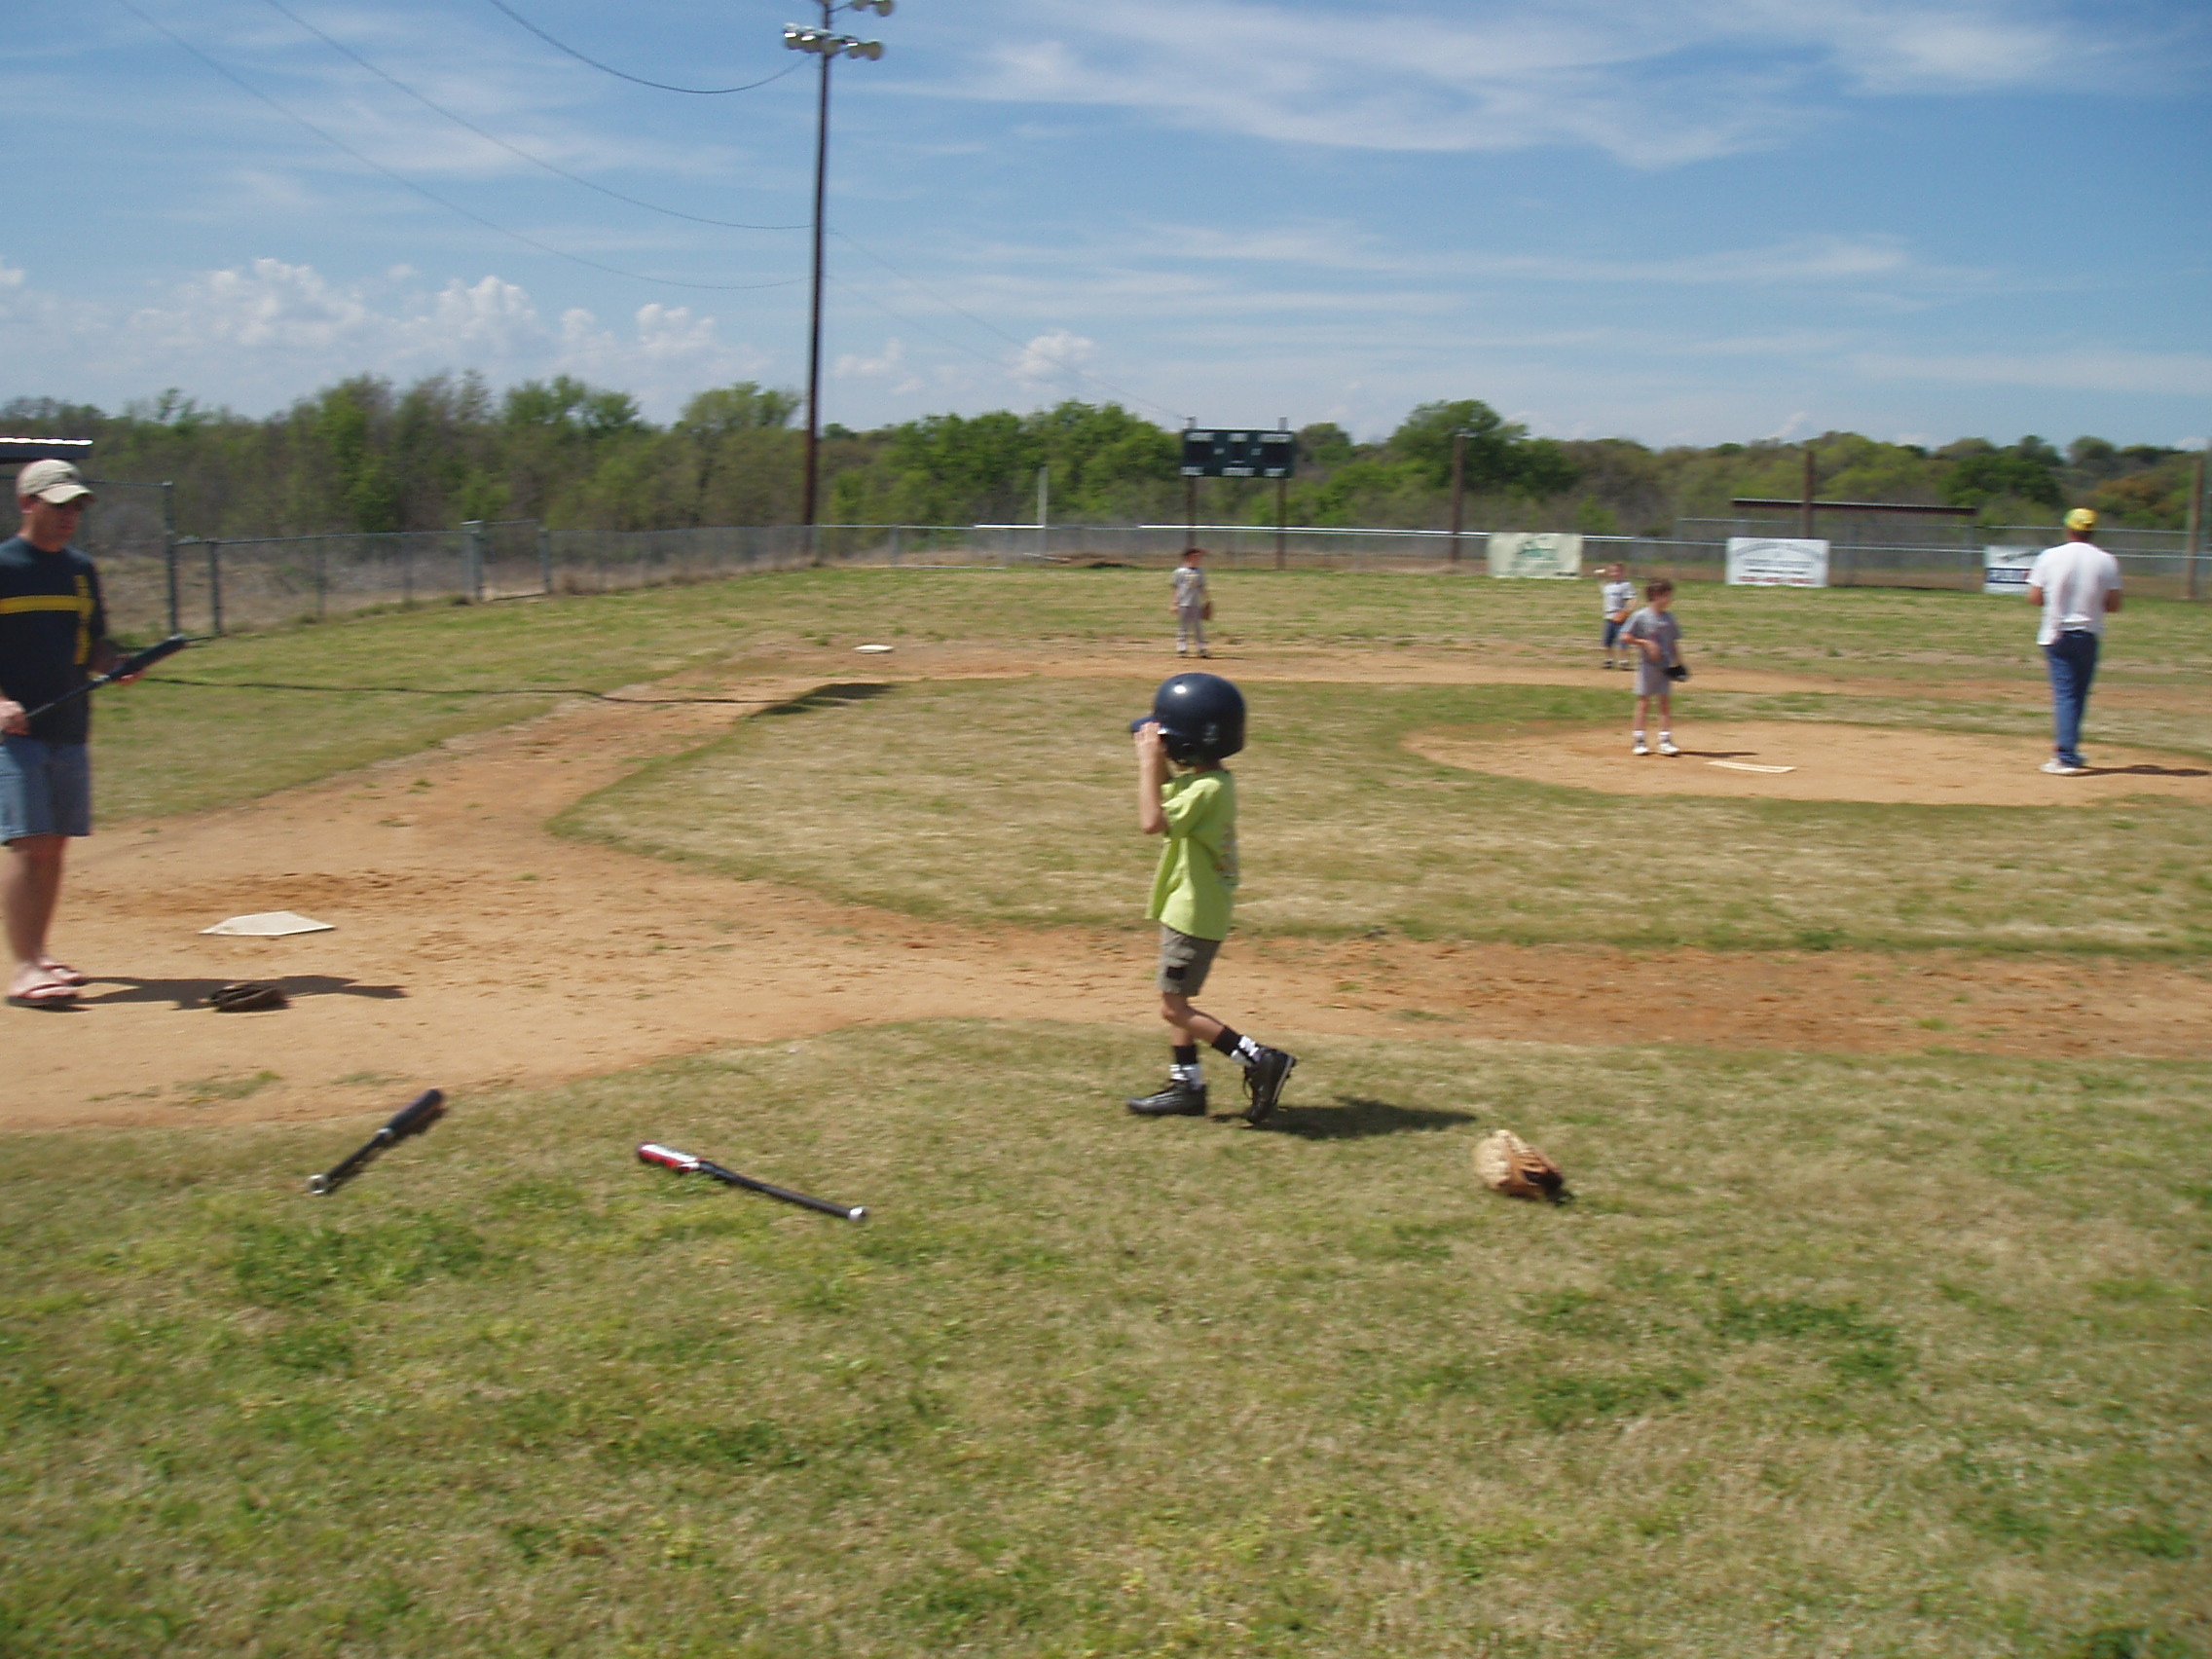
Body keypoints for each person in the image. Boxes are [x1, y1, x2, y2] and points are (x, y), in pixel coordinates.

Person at [1124, 672, 1295, 1123]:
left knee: (1173, 1007)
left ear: (1188, 745)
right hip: (1192, 909)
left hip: (1192, 914)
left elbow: (1151, 820)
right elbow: (1166, 797)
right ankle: (1187, 1086)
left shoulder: (1205, 790)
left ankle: (1259, 1059)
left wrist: (1146, 763)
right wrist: (1158, 757)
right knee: (1175, 999)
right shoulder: (1211, 783)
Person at [2, 460, 138, 1006]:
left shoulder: (80, 570)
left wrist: (115, 664)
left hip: (69, 724)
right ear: (27, 504)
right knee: (30, 844)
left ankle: (39, 952)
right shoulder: (4, 566)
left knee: (54, 847)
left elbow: (94, 643)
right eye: (60, 506)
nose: (70, 517)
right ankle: (24, 968)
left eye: (77, 507)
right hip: (14, 731)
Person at [2026, 507, 2122, 775]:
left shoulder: (2051, 556)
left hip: (2057, 632)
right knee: (2077, 695)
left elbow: (2034, 597)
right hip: (2088, 632)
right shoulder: (2106, 560)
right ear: (2092, 531)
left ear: (2068, 529)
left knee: (2066, 695)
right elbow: (2114, 604)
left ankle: (2065, 756)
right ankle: (2070, 750)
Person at [1619, 578, 1684, 756]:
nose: (1669, 599)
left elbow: (1673, 643)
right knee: (1644, 703)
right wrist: (1645, 643)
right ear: (1655, 595)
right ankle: (1639, 739)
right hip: (1647, 667)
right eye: (1667, 596)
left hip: (1664, 666)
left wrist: (1679, 663)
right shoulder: (1641, 616)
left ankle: (1665, 740)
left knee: (1664, 702)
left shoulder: (1669, 618)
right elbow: (1624, 636)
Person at [1170, 545, 1211, 658]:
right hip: (1183, 603)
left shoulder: (1200, 571)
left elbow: (1202, 587)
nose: (1199, 560)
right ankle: (1182, 648)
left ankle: (1201, 649)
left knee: (1198, 628)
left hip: (1196, 603)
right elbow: (1176, 588)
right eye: (1196, 557)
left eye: (1199, 558)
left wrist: (1207, 601)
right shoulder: (1180, 572)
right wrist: (1174, 603)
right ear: (1188, 557)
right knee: (1183, 627)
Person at [1600, 561, 1636, 669]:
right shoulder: (1609, 586)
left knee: (1622, 641)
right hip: (1609, 617)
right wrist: (1601, 576)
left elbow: (1633, 599)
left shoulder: (1626, 585)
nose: (1614, 574)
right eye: (1612, 572)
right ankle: (1609, 660)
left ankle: (1624, 661)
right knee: (1607, 642)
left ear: (1622, 572)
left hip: (1620, 617)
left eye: (1617, 571)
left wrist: (1626, 612)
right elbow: (1602, 586)